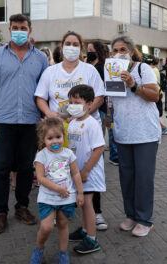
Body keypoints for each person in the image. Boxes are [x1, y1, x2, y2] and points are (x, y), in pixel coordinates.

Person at [0, 14, 49, 235]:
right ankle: (0, 213)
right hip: (3, 123)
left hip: (30, 123)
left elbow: (44, 92)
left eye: (24, 27)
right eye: (15, 27)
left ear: (30, 30)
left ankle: (22, 207)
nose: (19, 30)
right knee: (0, 169)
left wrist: (45, 120)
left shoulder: (40, 58)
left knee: (27, 168)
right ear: (10, 29)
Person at [110, 35, 160, 237]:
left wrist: (133, 85)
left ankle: (144, 219)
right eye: (115, 50)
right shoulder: (111, 73)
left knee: (143, 178)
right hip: (123, 133)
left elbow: (154, 96)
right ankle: (130, 215)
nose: (118, 53)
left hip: (144, 133)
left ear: (131, 51)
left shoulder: (142, 69)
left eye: (123, 49)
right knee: (127, 177)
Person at [30, 118, 84, 264]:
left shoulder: (68, 154)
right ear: (43, 139)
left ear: (63, 137)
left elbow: (76, 174)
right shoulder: (41, 156)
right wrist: (58, 189)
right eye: (50, 138)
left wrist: (79, 192)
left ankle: (63, 253)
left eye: (58, 137)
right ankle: (39, 249)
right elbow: (40, 178)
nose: (55, 141)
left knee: (63, 223)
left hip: (66, 198)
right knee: (46, 227)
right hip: (47, 198)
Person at [35, 31, 105, 125]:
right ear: (62, 46)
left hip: (86, 126)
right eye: (68, 44)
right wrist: (49, 113)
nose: (71, 47)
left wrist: (82, 114)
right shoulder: (50, 71)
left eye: (75, 45)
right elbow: (40, 97)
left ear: (81, 49)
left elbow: (99, 98)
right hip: (58, 128)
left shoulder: (90, 70)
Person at [67, 85, 106, 253]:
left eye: (77, 102)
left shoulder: (92, 124)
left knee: (88, 203)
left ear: (89, 104)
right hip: (78, 172)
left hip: (88, 173)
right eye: (71, 102)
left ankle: (92, 238)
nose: (73, 105)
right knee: (82, 203)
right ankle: (84, 229)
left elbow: (99, 149)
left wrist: (86, 170)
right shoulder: (73, 123)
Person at [86, 41, 109, 231]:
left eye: (91, 51)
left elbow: (101, 93)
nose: (89, 53)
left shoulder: (100, 68)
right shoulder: (86, 67)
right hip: (81, 114)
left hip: (97, 112)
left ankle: (96, 211)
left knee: (95, 151)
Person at [145, 55, 167, 135]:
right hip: (158, 92)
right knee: (154, 113)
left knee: (153, 113)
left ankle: (164, 128)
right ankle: (161, 128)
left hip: (154, 93)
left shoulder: (151, 70)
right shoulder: (155, 69)